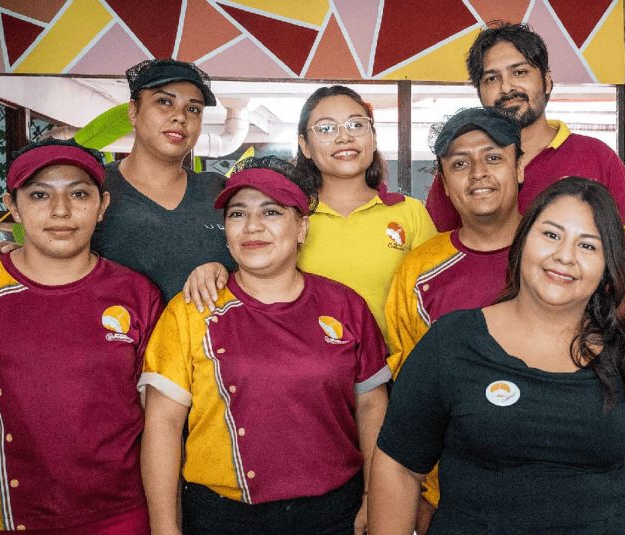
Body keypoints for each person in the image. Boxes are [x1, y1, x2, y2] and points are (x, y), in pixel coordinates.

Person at [371, 178, 625, 534]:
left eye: (588, 245)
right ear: (522, 239)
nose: (565, 256)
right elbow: (399, 466)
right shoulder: (453, 341)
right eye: (551, 235)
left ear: (607, 268)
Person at [0, 139, 162, 533]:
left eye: (79, 193)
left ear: (102, 206)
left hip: (118, 516)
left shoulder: (136, 293)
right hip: (1, 518)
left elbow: (156, 415)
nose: (60, 210)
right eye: (39, 195)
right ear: (12, 206)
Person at [139, 156, 390, 534]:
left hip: (334, 512)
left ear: (302, 227)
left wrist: (375, 497)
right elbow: (162, 424)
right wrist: (165, 527)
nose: (252, 227)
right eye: (237, 215)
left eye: (271, 212)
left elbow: (372, 407)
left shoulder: (345, 306)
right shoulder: (192, 310)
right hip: (223, 517)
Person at [0, 59, 235, 301]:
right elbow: (60, 258)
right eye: (164, 102)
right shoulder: (91, 190)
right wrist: (22, 254)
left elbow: (258, 263)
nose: (180, 117)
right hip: (116, 348)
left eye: (194, 109)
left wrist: (221, 269)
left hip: (208, 351)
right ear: (133, 111)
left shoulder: (219, 190)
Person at [183, 86, 436, 337]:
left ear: (373, 137)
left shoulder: (409, 212)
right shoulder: (286, 216)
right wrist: (216, 269)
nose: (344, 137)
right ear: (305, 145)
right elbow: (251, 274)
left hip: (398, 371)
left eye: (356, 125)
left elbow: (436, 297)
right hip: (305, 368)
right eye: (326, 128)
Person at [382, 107, 523, 533]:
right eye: (460, 163)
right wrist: (420, 496)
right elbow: (410, 400)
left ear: (520, 167)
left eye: (493, 157)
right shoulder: (419, 269)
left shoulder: (557, 255)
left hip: (556, 491)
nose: (477, 173)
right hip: (450, 502)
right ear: (443, 181)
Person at [423, 23, 625, 231]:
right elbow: (434, 256)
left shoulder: (596, 156)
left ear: (547, 81)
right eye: (491, 78)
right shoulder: (462, 167)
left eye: (519, 72)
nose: (506, 87)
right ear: (479, 91)